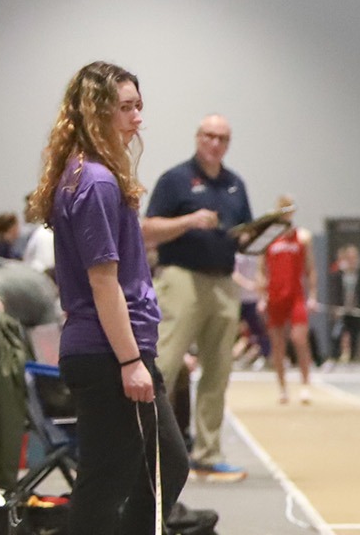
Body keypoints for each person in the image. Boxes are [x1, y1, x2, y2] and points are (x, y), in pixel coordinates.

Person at [26, 62, 189, 534]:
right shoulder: (96, 181)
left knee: (149, 469)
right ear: (97, 113)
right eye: (126, 107)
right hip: (109, 352)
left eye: (139, 105)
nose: (138, 118)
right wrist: (130, 361)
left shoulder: (88, 176)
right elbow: (103, 283)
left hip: (109, 348)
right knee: (116, 479)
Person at [142, 113, 251, 483]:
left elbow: (244, 232)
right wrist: (189, 221)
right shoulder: (175, 180)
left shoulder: (235, 185)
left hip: (224, 281)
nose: (215, 143)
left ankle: (207, 453)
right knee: (164, 366)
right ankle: (147, 452)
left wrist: (259, 234)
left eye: (223, 138)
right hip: (182, 279)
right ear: (198, 137)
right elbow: (147, 230)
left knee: (218, 372)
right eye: (209, 136)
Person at [260, 208, 315, 405]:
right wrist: (261, 297)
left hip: (295, 296)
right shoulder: (269, 239)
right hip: (275, 297)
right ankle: (282, 388)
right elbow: (261, 270)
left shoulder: (301, 238)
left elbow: (310, 269)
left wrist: (313, 296)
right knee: (278, 345)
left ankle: (305, 385)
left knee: (300, 339)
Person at [328, 244, 360, 365]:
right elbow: (335, 290)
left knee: (354, 335)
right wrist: (336, 306)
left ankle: (351, 358)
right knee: (338, 333)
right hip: (342, 309)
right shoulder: (339, 272)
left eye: (354, 257)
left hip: (356, 310)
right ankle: (334, 357)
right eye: (350, 257)